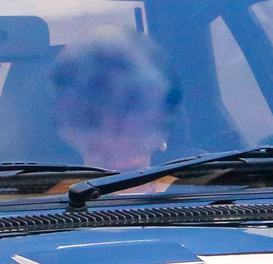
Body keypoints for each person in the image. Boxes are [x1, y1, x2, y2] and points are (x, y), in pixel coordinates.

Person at [48, 26, 181, 179]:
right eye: (94, 111)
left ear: (163, 117)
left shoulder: (203, 190)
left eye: (132, 104)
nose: (115, 124)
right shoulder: (39, 201)